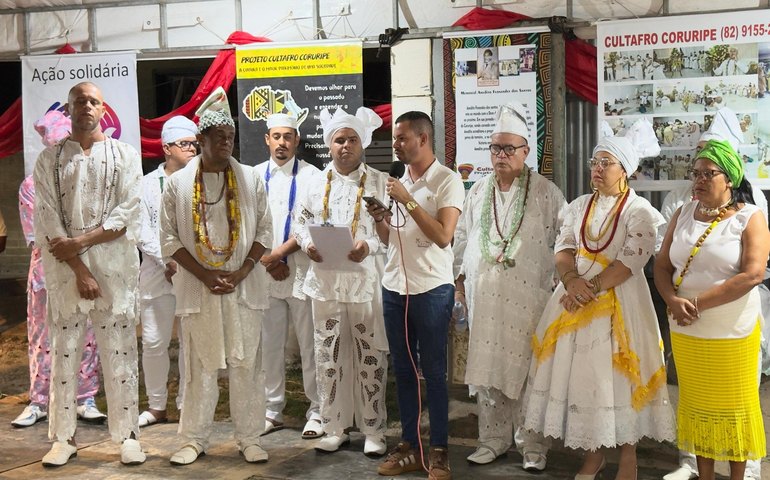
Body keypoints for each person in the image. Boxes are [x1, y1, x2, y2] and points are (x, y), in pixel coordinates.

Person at [522, 119, 676, 480]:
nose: (598, 169)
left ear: (626, 170)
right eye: (595, 162)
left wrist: (585, 290)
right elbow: (563, 250)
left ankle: (628, 456)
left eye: (607, 163)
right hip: (574, 298)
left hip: (620, 302)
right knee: (585, 379)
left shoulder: (640, 211)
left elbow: (630, 262)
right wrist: (571, 282)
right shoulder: (578, 206)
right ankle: (593, 454)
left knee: (620, 380)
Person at [33, 81, 146, 466]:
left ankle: (128, 436)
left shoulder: (125, 155)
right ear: (68, 109)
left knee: (120, 353)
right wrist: (80, 269)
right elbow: (48, 218)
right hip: (68, 274)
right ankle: (63, 438)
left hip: (114, 271)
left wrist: (80, 243)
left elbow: (127, 212)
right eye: (79, 101)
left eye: (93, 101)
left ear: (103, 109)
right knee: (64, 353)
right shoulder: (49, 160)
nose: (86, 106)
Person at [160, 89, 273, 465]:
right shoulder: (178, 184)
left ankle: (250, 437)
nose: (226, 142)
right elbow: (168, 239)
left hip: (243, 286)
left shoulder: (251, 179)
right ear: (201, 139)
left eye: (231, 136)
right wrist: (205, 274)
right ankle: (193, 439)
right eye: (219, 136)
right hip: (200, 288)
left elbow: (265, 231)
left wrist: (242, 271)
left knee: (246, 365)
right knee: (199, 366)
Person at [452, 102, 565, 469]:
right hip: (484, 300)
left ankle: (533, 446)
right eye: (495, 148)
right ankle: (492, 440)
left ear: (525, 151)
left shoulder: (546, 193)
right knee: (488, 371)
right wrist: (459, 285)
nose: (500, 155)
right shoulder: (478, 191)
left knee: (530, 372)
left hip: (529, 302)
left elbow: (566, 242)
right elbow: (462, 239)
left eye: (508, 149)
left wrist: (561, 286)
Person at [655, 140, 770, 480]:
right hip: (687, 328)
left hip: (732, 329)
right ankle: (703, 475)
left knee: (735, 409)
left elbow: (753, 274)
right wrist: (672, 300)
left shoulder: (749, 217)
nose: (699, 180)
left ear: (730, 178)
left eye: (709, 174)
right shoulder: (683, 213)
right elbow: (662, 266)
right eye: (696, 173)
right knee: (698, 406)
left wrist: (696, 304)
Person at [368, 111, 465, 480]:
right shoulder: (398, 180)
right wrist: (380, 216)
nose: (395, 144)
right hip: (395, 286)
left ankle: (439, 450)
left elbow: (443, 236)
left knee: (435, 372)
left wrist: (408, 200)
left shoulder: (447, 180)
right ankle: (408, 444)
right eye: (395, 138)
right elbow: (389, 239)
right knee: (404, 369)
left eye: (402, 138)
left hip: (432, 289)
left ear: (423, 139)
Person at [292, 107, 389, 455]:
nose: (345, 146)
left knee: (369, 355)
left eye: (351, 139)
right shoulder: (314, 182)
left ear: (362, 144)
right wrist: (307, 244)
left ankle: (374, 430)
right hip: (326, 280)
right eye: (339, 140)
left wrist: (369, 246)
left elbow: (393, 233)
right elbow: (299, 222)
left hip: (365, 280)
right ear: (329, 145)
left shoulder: (379, 182)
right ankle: (335, 426)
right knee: (328, 353)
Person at [13, 175, 106, 428]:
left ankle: (84, 398)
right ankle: (40, 401)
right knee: (42, 338)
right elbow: (39, 235)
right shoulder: (32, 185)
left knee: (86, 334)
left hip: (86, 268)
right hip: (46, 273)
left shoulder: (86, 179)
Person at [254, 113, 323, 439]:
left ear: (296, 140)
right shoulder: (253, 176)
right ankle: (272, 410)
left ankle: (317, 410)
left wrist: (280, 254)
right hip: (264, 271)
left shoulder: (313, 176)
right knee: (270, 344)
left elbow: (312, 223)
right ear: (267, 139)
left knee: (310, 344)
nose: (282, 143)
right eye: (276, 136)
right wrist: (269, 260)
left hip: (301, 272)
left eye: (288, 136)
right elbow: (248, 224)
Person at [136, 115, 197, 427]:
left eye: (194, 144)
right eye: (184, 144)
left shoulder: (202, 181)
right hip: (157, 275)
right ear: (166, 147)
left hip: (194, 275)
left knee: (190, 344)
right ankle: (156, 405)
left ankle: (187, 405)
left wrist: (188, 263)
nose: (191, 149)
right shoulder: (146, 184)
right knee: (154, 342)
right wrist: (168, 260)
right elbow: (141, 229)